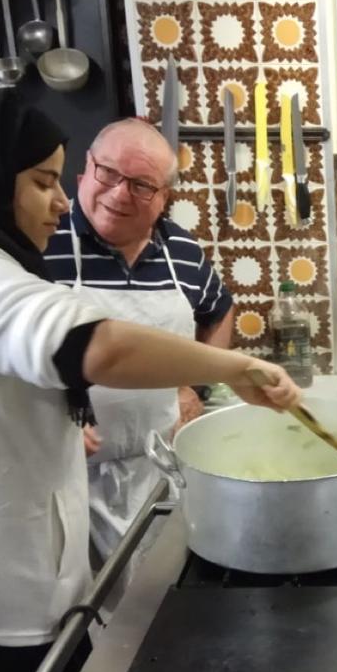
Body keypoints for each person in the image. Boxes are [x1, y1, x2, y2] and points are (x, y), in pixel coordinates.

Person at [0, 90, 299, 672]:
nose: (60, 201)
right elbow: (99, 348)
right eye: (41, 182)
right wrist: (240, 368)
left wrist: (53, 427)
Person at [43, 118, 233, 565]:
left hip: (160, 472)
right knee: (84, 599)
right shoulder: (42, 240)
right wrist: (45, 411)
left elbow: (219, 309)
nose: (119, 193)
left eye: (142, 185)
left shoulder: (182, 252)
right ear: (84, 170)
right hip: (68, 480)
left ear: (164, 197)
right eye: (108, 172)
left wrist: (193, 386)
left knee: (156, 591)